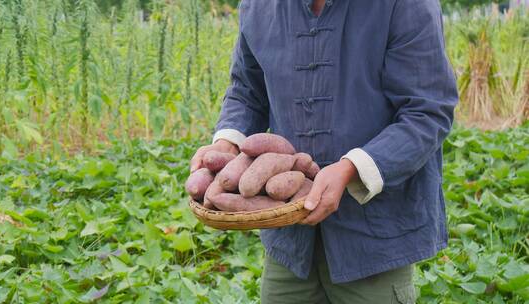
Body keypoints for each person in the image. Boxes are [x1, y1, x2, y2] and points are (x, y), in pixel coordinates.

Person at [190, 0, 458, 303]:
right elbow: (247, 92)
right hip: (289, 241)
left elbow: (427, 111)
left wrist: (350, 169)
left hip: (374, 240)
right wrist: (226, 143)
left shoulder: (404, 5)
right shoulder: (259, 6)